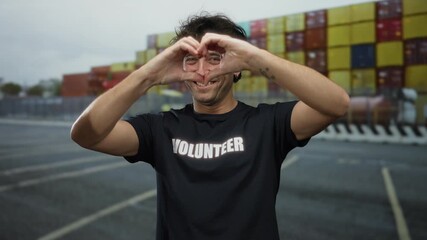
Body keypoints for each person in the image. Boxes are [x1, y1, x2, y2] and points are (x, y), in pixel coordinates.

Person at [71, 12, 350, 240]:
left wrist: (254, 56)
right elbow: (85, 135)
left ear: (237, 67)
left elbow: (336, 103)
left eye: (215, 59)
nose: (203, 72)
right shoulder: (161, 128)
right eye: (191, 61)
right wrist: (149, 75)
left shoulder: (267, 124)